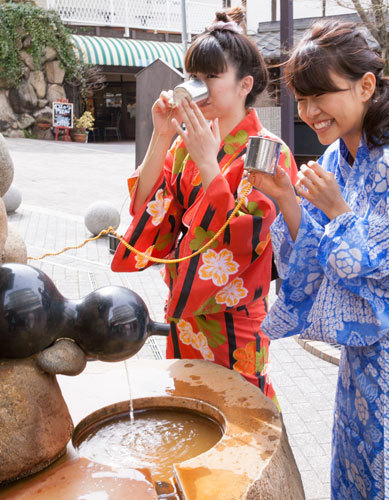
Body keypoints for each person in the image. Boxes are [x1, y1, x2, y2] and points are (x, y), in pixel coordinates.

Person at [249, 20, 389, 500]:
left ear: (366, 86)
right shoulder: (337, 158)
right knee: (355, 465)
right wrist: (287, 200)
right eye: (302, 99)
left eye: (321, 96)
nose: (310, 111)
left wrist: (337, 210)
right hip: (362, 349)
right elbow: (314, 255)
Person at [111, 7, 297, 405]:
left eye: (211, 76)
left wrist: (210, 165)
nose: (199, 86)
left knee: (243, 415)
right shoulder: (185, 144)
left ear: (245, 84)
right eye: (193, 77)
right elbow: (148, 209)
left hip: (235, 315)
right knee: (190, 409)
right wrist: (161, 135)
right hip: (185, 310)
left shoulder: (268, 150)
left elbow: (247, 239)